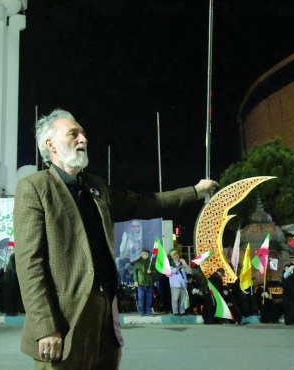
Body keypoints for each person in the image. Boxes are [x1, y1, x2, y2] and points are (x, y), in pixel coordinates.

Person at [15, 109, 218, 367]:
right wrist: (45, 327)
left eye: (84, 135)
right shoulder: (35, 187)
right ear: (50, 144)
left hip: (104, 313)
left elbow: (145, 203)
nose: (83, 140)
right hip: (66, 320)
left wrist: (195, 192)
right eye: (73, 134)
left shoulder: (96, 187)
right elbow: (29, 262)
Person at [132, 249, 153, 315]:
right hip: (141, 283)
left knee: (149, 298)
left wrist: (151, 271)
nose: (146, 254)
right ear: (141, 253)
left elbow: (155, 271)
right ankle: (141, 312)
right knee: (141, 298)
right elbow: (135, 272)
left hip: (149, 283)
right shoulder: (137, 262)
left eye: (147, 253)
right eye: (144, 253)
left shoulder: (150, 262)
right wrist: (135, 281)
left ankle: (148, 311)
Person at [168, 251, 190, 316]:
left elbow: (185, 274)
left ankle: (182, 311)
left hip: (182, 284)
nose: (176, 255)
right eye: (174, 255)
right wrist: (179, 266)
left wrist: (186, 282)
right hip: (175, 284)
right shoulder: (170, 264)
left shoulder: (181, 263)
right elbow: (172, 271)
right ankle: (175, 311)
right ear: (172, 257)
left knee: (182, 299)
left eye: (177, 254)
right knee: (175, 299)